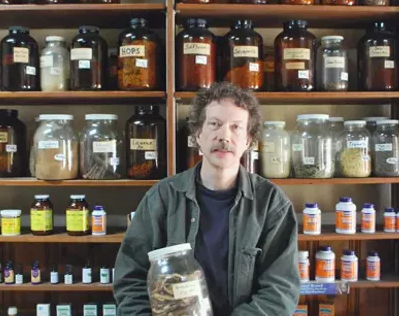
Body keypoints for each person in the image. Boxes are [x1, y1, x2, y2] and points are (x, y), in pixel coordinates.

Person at [114, 81, 300, 315]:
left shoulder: (271, 204)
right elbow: (131, 278)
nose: (224, 136)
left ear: (249, 141)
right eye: (215, 124)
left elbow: (280, 291)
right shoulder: (162, 197)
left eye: (236, 127)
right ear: (197, 135)